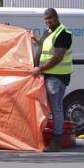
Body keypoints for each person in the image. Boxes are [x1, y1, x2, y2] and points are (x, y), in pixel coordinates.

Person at [31, 8, 73, 152]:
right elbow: (43, 46)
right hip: (48, 75)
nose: (47, 21)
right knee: (50, 108)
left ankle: (56, 141)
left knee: (56, 108)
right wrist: (34, 37)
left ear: (56, 17)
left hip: (57, 77)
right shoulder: (49, 32)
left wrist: (40, 69)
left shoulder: (63, 33)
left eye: (50, 18)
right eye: (45, 19)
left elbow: (58, 57)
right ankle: (50, 137)